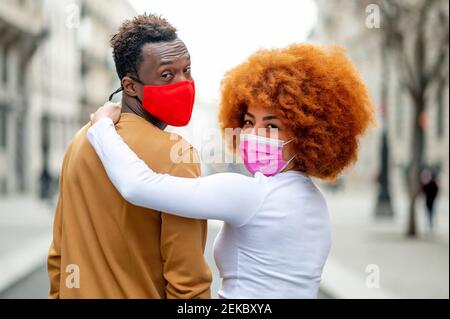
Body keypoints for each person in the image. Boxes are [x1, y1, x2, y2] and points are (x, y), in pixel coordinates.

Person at [88, 44, 375, 298]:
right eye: (249, 122)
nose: (253, 135)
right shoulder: (316, 203)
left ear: (306, 135)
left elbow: (138, 186)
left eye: (272, 127)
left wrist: (102, 127)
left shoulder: (250, 195)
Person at [47, 14, 211, 298]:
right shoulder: (178, 154)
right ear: (130, 86)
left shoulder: (79, 142)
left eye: (187, 70)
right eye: (167, 75)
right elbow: (189, 282)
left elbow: (58, 257)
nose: (184, 83)